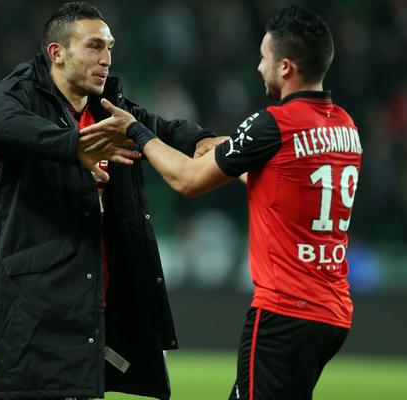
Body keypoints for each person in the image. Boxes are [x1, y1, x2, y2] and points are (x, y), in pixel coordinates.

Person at [81, 5, 362, 400]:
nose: (259, 67)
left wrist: (137, 130)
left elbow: (186, 180)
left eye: (264, 58)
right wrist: (222, 153)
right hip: (333, 311)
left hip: (285, 310)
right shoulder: (345, 126)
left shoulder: (275, 124)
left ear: (285, 67)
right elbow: (281, 180)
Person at [0, 2, 220, 400]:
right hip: (38, 309)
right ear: (57, 53)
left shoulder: (104, 107)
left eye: (109, 48)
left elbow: (154, 125)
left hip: (93, 301)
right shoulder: (22, 93)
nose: (106, 59)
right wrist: (72, 145)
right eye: (94, 46)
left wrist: (199, 139)